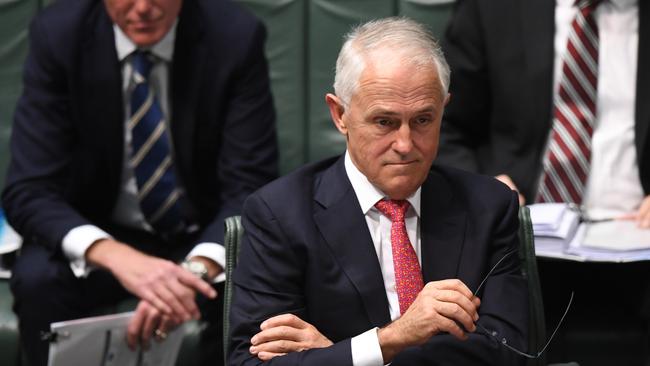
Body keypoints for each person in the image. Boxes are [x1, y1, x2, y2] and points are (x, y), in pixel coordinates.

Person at [228, 18, 528, 366]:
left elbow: (509, 354)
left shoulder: (488, 207)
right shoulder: (279, 214)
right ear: (340, 114)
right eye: (385, 122)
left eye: (423, 120)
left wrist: (342, 355)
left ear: (443, 109)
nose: (405, 144)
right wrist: (392, 338)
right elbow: (249, 363)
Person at [1, 0, 277, 365]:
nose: (143, 8)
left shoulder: (234, 35)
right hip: (97, 229)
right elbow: (30, 188)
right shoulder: (59, 34)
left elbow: (249, 183)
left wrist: (191, 274)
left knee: (249, 285)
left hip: (197, 233)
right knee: (37, 279)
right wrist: (117, 256)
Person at [437, 0, 650, 363]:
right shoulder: (491, 9)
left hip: (638, 240)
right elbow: (443, 125)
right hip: (521, 239)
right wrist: (487, 185)